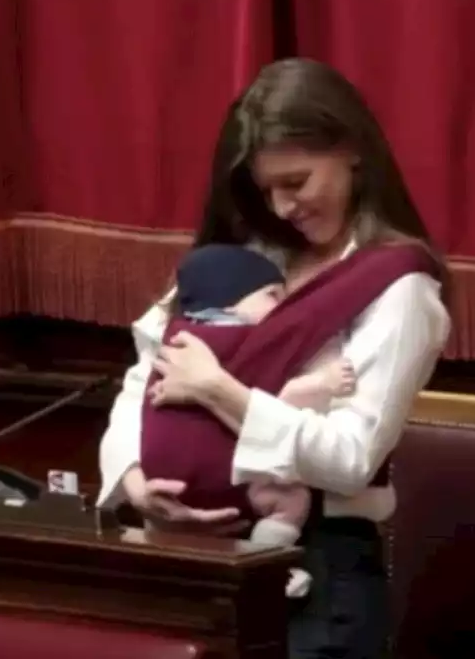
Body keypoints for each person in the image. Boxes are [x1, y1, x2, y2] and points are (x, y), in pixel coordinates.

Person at [98, 57, 451, 659]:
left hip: (318, 571)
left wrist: (218, 390)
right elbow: (144, 379)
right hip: (194, 558)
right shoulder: (246, 260)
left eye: (298, 181)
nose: (285, 206)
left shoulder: (400, 286)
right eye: (267, 190)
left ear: (353, 152)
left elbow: (348, 461)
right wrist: (135, 481)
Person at [141, 242, 357, 599]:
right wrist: (323, 383)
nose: (281, 308)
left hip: (163, 484)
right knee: (291, 501)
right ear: (232, 300)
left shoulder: (173, 338)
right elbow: (273, 404)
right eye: (272, 295)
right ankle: (271, 565)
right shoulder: (251, 341)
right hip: (228, 481)